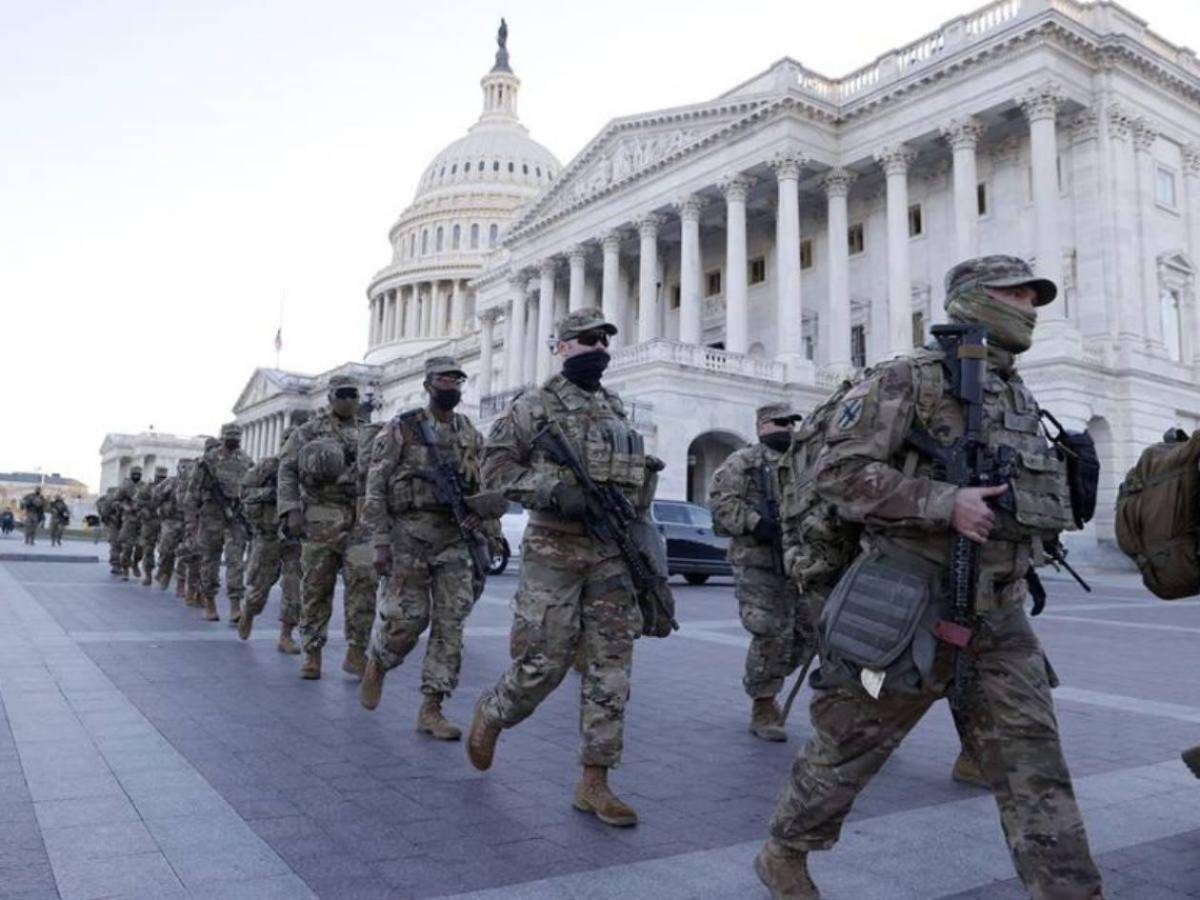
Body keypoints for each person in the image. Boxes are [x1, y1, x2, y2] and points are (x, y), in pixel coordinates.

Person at [755, 256, 1102, 900]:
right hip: (908, 604)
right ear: (973, 299)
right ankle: (785, 848)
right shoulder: (906, 379)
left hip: (998, 612)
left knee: (1036, 767)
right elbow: (835, 473)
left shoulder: (1014, 393)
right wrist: (944, 502)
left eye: (1035, 297)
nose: (1030, 306)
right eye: (1017, 294)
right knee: (849, 746)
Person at [467, 308, 663, 828]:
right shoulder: (534, 407)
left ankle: (594, 781)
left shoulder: (616, 407)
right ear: (561, 347)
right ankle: (494, 710)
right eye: (585, 340)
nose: (597, 347)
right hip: (555, 550)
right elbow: (496, 469)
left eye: (603, 338)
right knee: (544, 662)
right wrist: (555, 491)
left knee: (611, 669)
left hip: (611, 552)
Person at [359, 357, 497, 739]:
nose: (452, 384)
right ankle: (379, 660)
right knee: (408, 619)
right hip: (409, 536)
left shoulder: (468, 430)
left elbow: (482, 483)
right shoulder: (402, 427)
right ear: (428, 384)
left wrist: (484, 522)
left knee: (451, 622)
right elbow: (376, 486)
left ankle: (432, 707)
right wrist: (380, 541)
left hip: (453, 538)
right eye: (444, 378)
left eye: (457, 379)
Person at [709, 403, 814, 742]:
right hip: (757, 562)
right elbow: (722, 504)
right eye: (780, 423)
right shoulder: (743, 463)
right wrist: (756, 524)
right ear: (761, 427)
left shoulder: (802, 463)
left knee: (807, 633)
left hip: (799, 562)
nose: (788, 429)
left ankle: (764, 678)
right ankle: (764, 703)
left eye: (792, 423)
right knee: (769, 632)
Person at [277, 375, 366, 679]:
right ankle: (312, 653)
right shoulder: (308, 431)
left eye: (353, 394)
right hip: (320, 517)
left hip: (359, 518)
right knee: (316, 587)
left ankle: (356, 651)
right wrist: (290, 510)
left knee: (363, 586)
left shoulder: (368, 432)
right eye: (342, 394)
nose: (348, 400)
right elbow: (287, 470)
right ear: (330, 398)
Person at [236, 418, 310, 654]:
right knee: (260, 586)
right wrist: (272, 493)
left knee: (294, 589)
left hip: (295, 538)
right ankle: (249, 609)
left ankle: (286, 635)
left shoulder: (309, 469)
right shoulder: (267, 466)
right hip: (268, 534)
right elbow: (244, 493)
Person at [189, 424, 251, 621]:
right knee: (210, 560)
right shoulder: (208, 460)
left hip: (235, 516)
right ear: (222, 436)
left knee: (235, 561)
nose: (234, 439)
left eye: (237, 436)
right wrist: (192, 521)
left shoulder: (246, 460)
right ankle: (210, 602)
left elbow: (251, 487)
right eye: (230, 435)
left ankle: (235, 604)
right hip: (211, 515)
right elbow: (193, 492)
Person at [153, 462, 187, 592]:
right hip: (170, 521)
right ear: (178, 468)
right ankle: (165, 574)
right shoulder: (170, 482)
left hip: (188, 522)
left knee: (186, 553)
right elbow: (155, 499)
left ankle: (181, 582)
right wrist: (164, 494)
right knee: (166, 551)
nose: (186, 470)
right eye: (184, 467)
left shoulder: (195, 483)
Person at [135, 466, 169, 585]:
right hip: (150, 523)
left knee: (166, 550)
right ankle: (148, 575)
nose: (160, 479)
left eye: (163, 477)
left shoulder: (169, 487)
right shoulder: (147, 488)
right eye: (159, 477)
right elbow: (138, 503)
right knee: (148, 549)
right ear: (155, 476)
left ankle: (162, 572)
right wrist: (145, 513)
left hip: (165, 523)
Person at [115, 467, 144, 579]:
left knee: (140, 548)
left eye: (138, 474)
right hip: (129, 520)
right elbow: (116, 501)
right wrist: (125, 506)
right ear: (131, 474)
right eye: (134, 474)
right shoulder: (124, 486)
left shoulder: (144, 486)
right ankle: (125, 569)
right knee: (127, 547)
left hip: (141, 520)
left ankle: (136, 563)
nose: (136, 476)